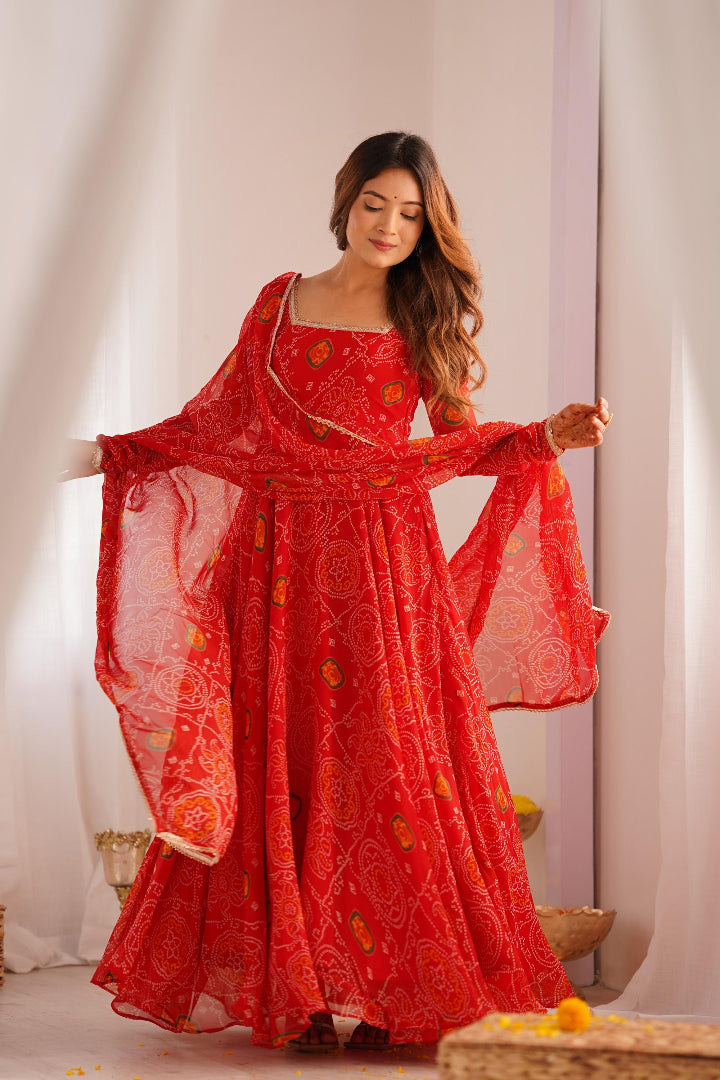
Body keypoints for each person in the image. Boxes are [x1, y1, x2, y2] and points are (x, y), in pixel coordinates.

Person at [62, 131, 610, 1052]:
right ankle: (304, 992)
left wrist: (548, 435)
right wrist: (104, 454)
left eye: (409, 213)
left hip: (381, 575)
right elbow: (219, 424)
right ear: (346, 198)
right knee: (280, 766)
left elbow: (456, 444)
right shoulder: (279, 303)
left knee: (385, 773)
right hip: (271, 566)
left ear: (427, 225)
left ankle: (397, 995)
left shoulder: (423, 314)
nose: (390, 226)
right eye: (375, 204)